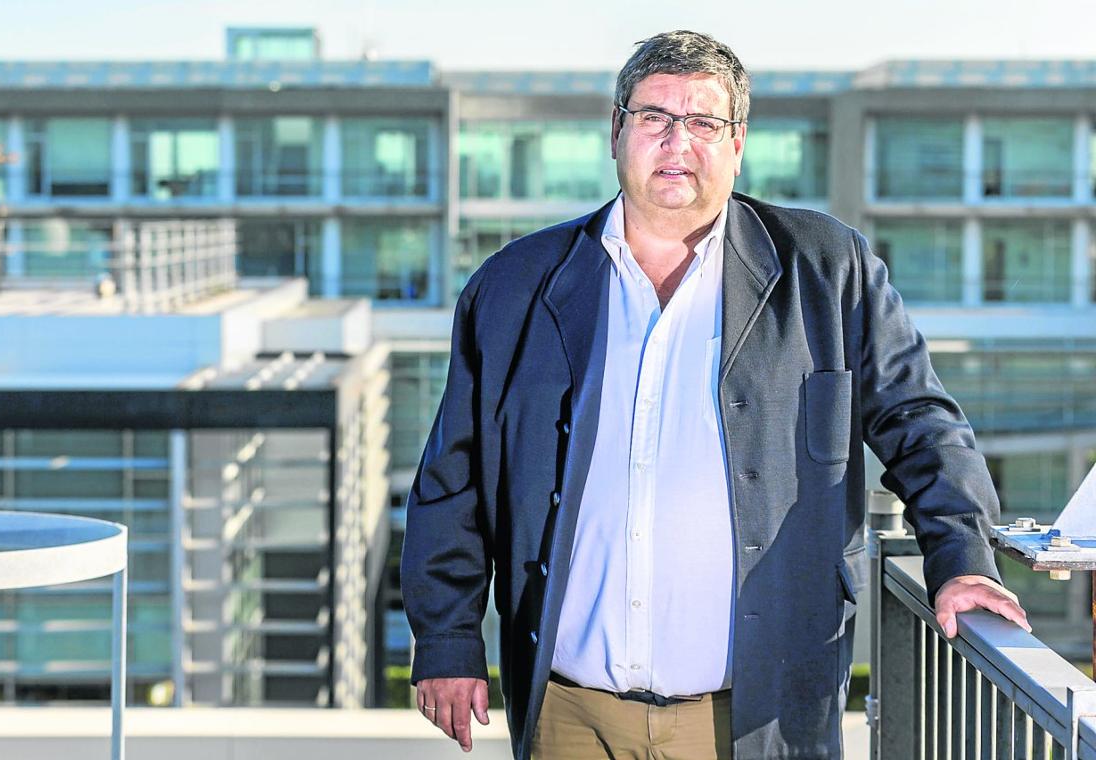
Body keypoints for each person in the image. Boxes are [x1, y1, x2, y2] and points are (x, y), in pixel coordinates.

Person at [401, 29, 1030, 760]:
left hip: (757, 716)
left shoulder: (827, 271)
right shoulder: (514, 286)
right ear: (617, 131)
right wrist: (445, 639)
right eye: (654, 118)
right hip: (569, 714)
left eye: (703, 121)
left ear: (737, 144)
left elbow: (919, 421)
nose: (677, 141)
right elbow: (456, 477)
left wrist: (963, 558)